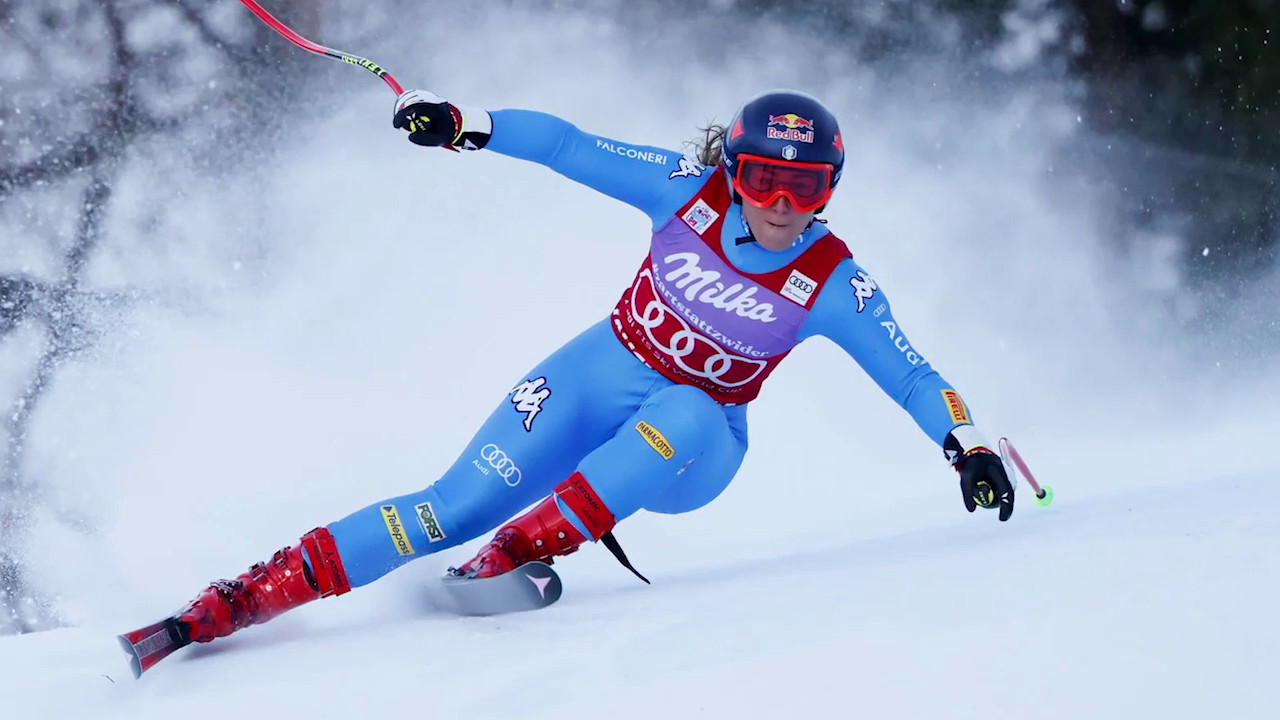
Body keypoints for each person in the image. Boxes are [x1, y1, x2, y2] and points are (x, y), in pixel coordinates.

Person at [166, 87, 1015, 644]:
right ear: (733, 171)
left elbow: (912, 374)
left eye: (807, 187)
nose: (782, 205)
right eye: (762, 179)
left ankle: (518, 549)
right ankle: (237, 602)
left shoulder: (832, 281)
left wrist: (968, 446)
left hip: (694, 449)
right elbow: (569, 145)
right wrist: (465, 124)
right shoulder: (684, 190)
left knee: (688, 405)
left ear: (831, 190)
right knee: (444, 508)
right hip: (595, 378)